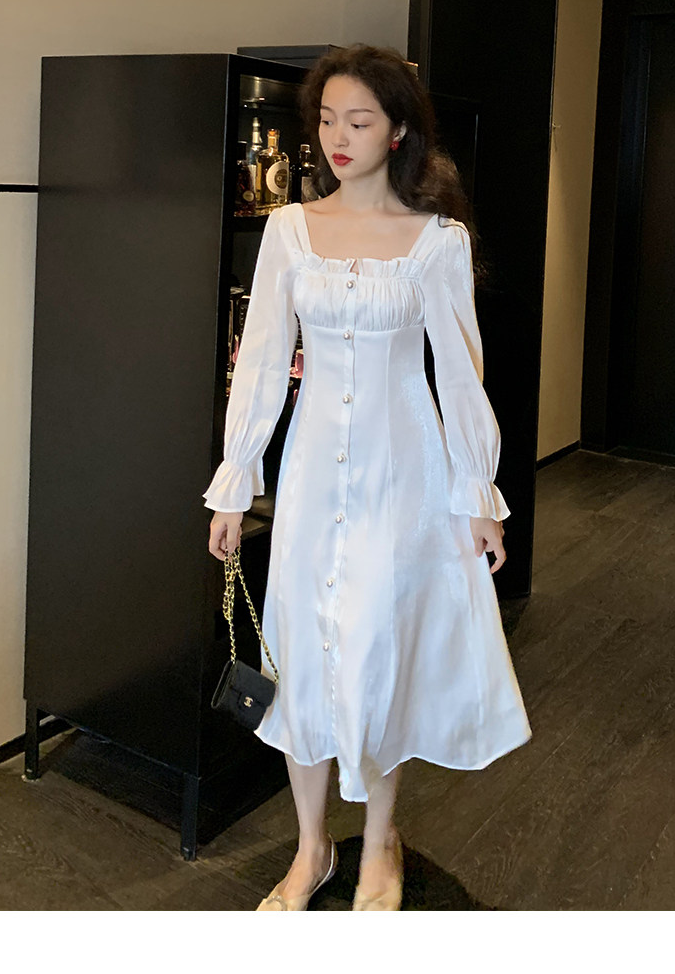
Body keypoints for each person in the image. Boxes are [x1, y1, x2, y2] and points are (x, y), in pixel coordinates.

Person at [205, 45, 531, 911]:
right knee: (303, 651)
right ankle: (311, 847)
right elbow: (262, 363)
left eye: (359, 121)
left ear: (397, 132)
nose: (337, 138)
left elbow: (459, 374)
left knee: (382, 650)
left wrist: (479, 495)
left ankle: (380, 839)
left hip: (405, 478)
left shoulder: (438, 241)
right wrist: (235, 482)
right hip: (312, 478)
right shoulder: (289, 230)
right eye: (325, 120)